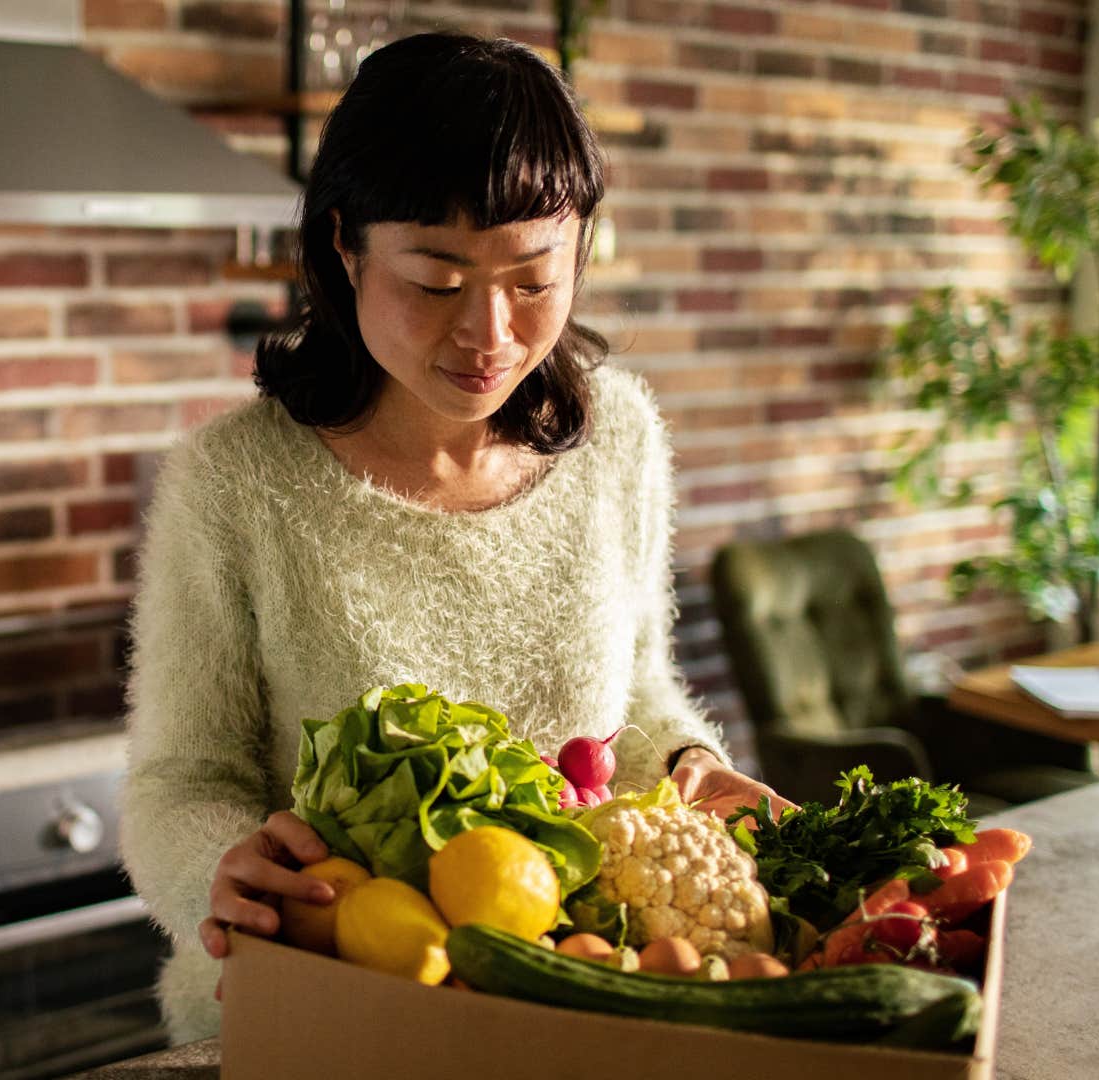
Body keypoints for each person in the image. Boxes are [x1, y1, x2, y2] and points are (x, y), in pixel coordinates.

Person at [119, 32, 793, 1043]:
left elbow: (635, 703)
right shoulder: (237, 482)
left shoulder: (620, 442)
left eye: (532, 279)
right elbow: (181, 783)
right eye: (436, 280)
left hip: (565, 1006)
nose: (488, 335)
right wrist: (218, 868)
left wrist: (692, 765)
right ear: (345, 247)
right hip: (317, 1015)